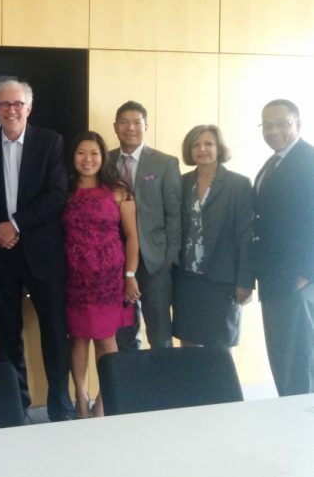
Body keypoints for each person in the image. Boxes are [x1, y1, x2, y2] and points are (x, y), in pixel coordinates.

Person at [0, 80, 74, 421]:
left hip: (42, 253)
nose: (11, 110)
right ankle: (16, 406)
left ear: (28, 108)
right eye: (4, 104)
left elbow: (57, 195)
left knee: (55, 331)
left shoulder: (50, 142)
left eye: (17, 104)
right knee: (5, 335)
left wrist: (15, 224)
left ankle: (60, 405)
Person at [62, 131, 139, 418]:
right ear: (73, 157)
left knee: (107, 339)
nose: (87, 159)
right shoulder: (64, 189)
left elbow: (132, 237)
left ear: (103, 157)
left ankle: (103, 402)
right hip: (74, 278)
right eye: (81, 153)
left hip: (109, 279)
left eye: (94, 153)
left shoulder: (119, 190)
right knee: (78, 338)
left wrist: (129, 274)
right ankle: (81, 400)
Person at [253, 99, 314, 396]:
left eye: (282, 124)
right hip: (273, 278)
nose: (273, 131)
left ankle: (303, 420)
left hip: (297, 281)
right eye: (267, 125)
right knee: (282, 357)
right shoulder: (273, 163)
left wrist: (306, 273)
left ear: (298, 124)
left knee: (300, 361)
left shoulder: (308, 160)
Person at [173, 125, 254, 349]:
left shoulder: (238, 184)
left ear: (219, 148)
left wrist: (245, 281)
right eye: (196, 145)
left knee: (219, 349)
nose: (202, 149)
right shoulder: (181, 183)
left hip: (222, 280)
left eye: (208, 144)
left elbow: (245, 237)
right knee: (188, 344)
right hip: (186, 279)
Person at [109, 101, 181, 349]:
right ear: (115, 127)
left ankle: (162, 376)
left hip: (155, 262)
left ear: (146, 126)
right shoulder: (105, 161)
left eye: (136, 122)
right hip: (117, 261)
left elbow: (174, 214)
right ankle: (131, 375)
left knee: (160, 333)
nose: (130, 128)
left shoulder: (164, 163)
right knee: (124, 333)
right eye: (124, 122)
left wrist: (170, 258)